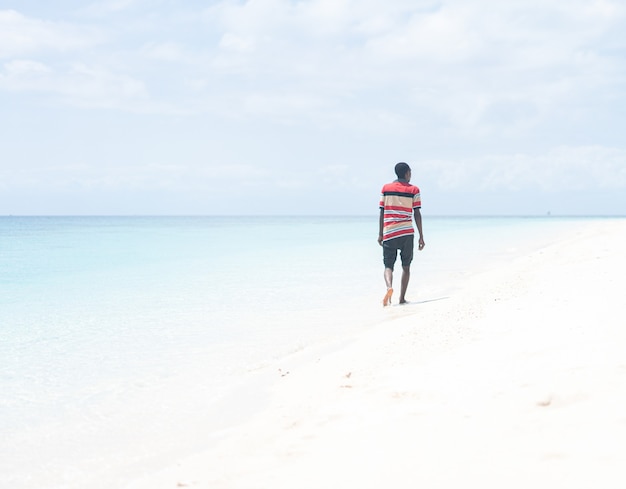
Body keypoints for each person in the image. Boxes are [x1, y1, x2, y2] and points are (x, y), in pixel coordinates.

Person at [378, 162, 425, 306]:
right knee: (406, 266)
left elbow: (382, 212)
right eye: (410, 172)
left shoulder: (386, 189)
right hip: (406, 233)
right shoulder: (414, 190)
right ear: (407, 173)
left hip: (389, 233)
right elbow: (417, 213)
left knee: (388, 266)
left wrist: (380, 234)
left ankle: (389, 287)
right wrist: (421, 236)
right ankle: (402, 298)